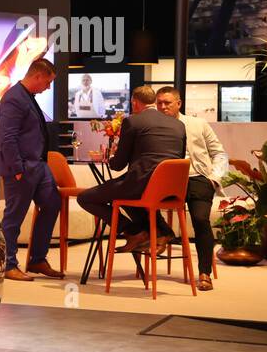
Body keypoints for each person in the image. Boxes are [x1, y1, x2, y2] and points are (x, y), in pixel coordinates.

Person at [77, 85, 186, 256]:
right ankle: (161, 231)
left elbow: (119, 164)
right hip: (172, 189)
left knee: (85, 198)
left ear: (134, 103)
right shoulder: (178, 125)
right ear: (154, 101)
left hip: (141, 185)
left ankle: (133, 231)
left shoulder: (133, 121)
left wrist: (109, 159)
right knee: (125, 195)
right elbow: (176, 156)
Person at [0, 58, 62, 282]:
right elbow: (7, 137)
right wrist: (17, 168)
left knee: (53, 203)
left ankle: (37, 259)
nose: (48, 87)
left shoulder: (28, 98)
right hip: (21, 167)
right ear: (38, 76)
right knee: (14, 216)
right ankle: (7, 264)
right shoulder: (14, 99)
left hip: (39, 166)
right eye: (48, 82)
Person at [156, 85, 227, 291]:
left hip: (197, 178)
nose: (162, 107)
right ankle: (165, 232)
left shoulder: (197, 124)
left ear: (178, 103)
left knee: (200, 219)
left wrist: (214, 177)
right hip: (167, 181)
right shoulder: (153, 127)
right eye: (159, 103)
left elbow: (219, 153)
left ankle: (204, 272)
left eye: (167, 103)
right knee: (140, 204)